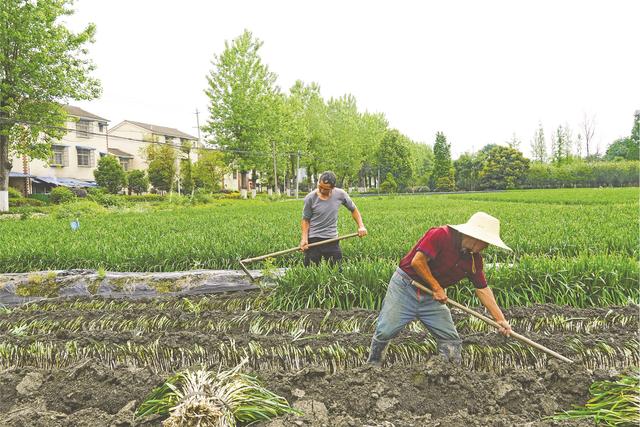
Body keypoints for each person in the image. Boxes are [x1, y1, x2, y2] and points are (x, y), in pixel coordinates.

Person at [367, 211, 512, 366]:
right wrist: (436, 287)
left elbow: (482, 289)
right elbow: (418, 262)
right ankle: (372, 368)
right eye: (487, 242)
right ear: (477, 238)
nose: (487, 247)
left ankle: (448, 373)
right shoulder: (441, 235)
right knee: (385, 331)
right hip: (405, 287)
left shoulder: (473, 260)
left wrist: (500, 319)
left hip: (430, 298)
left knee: (450, 338)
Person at [300, 171, 367, 265]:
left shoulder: (340, 194)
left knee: (337, 270)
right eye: (320, 186)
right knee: (309, 270)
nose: (322, 190)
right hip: (314, 239)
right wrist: (304, 239)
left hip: (331, 238)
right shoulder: (310, 198)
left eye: (326, 189)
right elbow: (305, 219)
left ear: (333, 187)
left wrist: (361, 226)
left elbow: (354, 210)